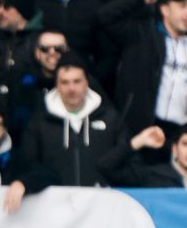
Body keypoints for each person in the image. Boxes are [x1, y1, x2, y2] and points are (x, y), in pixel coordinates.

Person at [23, 52, 125, 187]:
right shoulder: (39, 123)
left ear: (86, 82)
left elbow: (125, 165)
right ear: (57, 85)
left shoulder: (110, 118)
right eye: (65, 82)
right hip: (55, 204)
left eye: (77, 81)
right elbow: (29, 165)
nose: (71, 89)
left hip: (100, 203)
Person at [100, 123, 187, 193]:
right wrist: (138, 141)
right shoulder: (150, 176)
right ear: (174, 148)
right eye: (186, 144)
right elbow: (106, 167)